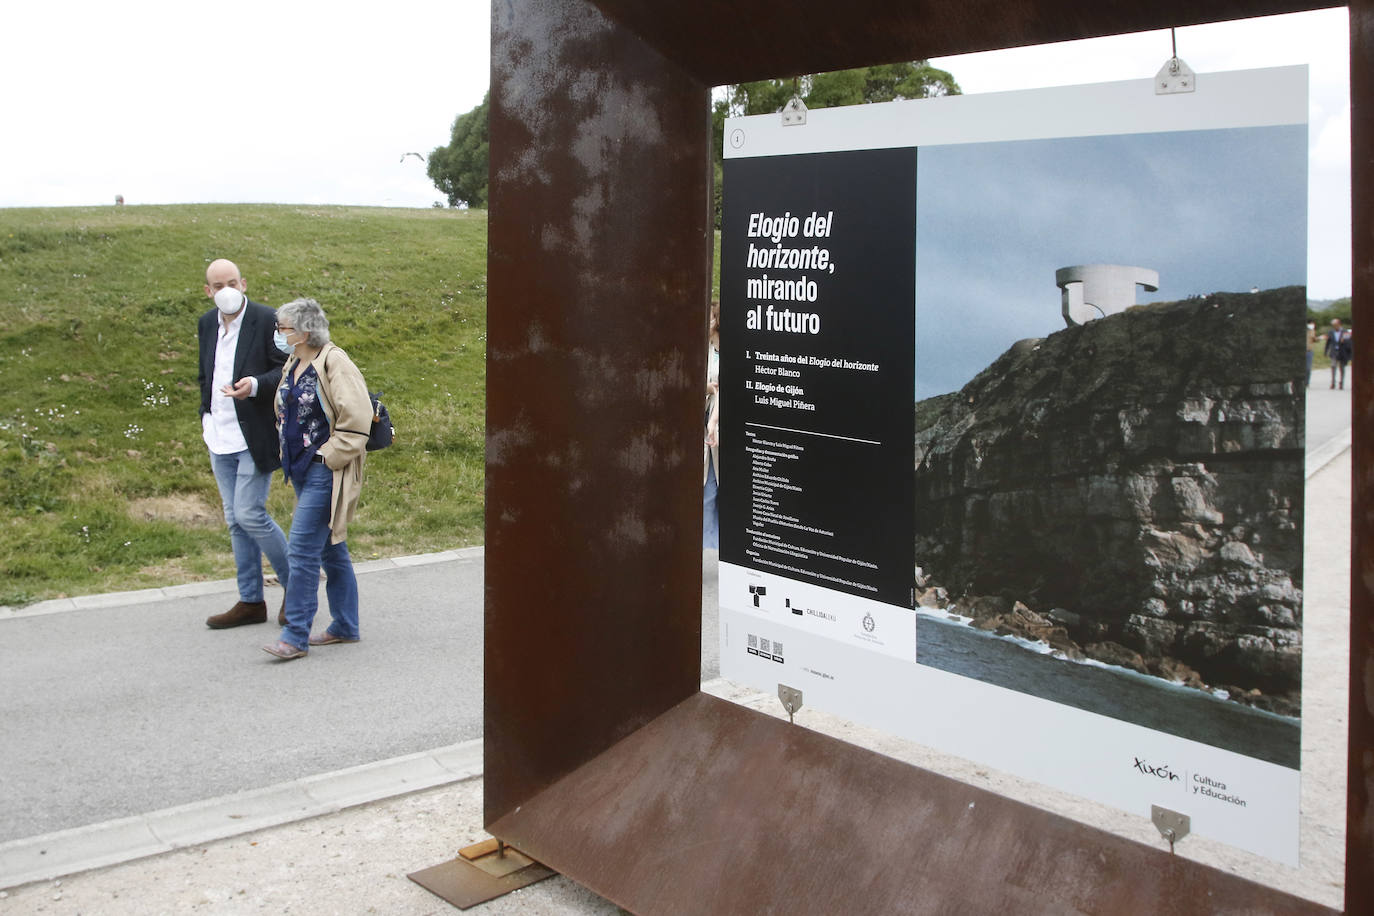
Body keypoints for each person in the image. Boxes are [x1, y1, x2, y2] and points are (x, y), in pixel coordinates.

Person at [262, 298, 372, 660]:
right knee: (330, 548)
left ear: (305, 330)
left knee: (302, 551)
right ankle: (345, 625)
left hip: (325, 471)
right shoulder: (295, 360)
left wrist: (328, 457)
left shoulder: (333, 360)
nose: (279, 334)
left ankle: (294, 635)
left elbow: (357, 417)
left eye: (284, 328)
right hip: (301, 470)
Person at [197, 259, 291, 629]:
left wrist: (253, 385)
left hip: (254, 433)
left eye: (232, 282)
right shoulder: (206, 323)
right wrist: (205, 410)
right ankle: (251, 600)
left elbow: (285, 367)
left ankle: (296, 587)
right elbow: (207, 371)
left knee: (250, 513)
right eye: (218, 285)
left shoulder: (268, 319)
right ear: (208, 290)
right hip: (217, 434)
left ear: (244, 283)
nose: (226, 290)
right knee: (235, 520)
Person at [703, 301, 721, 550]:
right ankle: (707, 546)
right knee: (707, 488)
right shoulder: (704, 347)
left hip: (715, 421)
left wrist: (714, 422)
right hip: (707, 420)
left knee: (713, 488)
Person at [1325, 318, 1352, 389]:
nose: (1334, 327)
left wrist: (1344, 341)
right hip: (1334, 351)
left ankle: (1341, 382)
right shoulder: (1331, 332)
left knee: (1342, 368)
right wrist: (1326, 351)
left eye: (1335, 325)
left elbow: (1349, 342)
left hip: (1342, 352)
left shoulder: (1345, 332)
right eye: (1333, 325)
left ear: (1339, 324)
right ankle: (1333, 382)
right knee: (1333, 366)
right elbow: (1328, 342)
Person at [1305, 321, 1318, 386]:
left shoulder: (1312, 331)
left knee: (1308, 368)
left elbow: (1314, 339)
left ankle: (1306, 382)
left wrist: (1318, 338)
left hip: (1309, 351)